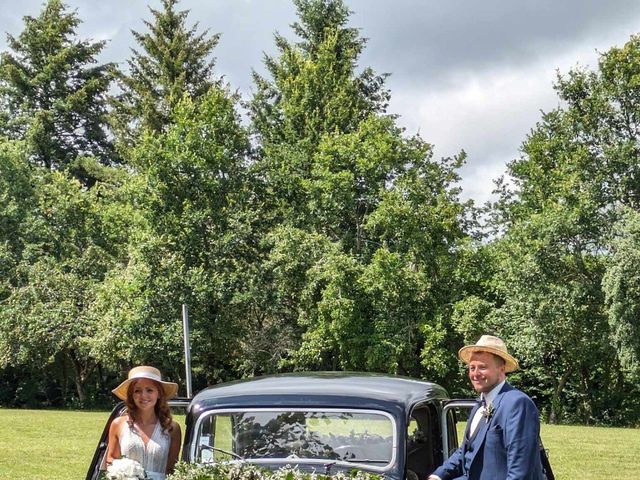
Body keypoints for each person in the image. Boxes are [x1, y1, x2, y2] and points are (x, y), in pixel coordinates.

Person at [428, 335, 544, 480]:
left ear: (501, 370)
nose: (475, 374)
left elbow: (520, 472)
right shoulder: (479, 403)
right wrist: (438, 475)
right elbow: (465, 451)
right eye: (472, 368)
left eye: (482, 367)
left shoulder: (517, 404)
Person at [107, 366, 182, 480]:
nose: (143, 396)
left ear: (159, 394)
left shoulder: (172, 428)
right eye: (137, 391)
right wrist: (122, 473)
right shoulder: (118, 424)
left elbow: (172, 469)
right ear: (131, 395)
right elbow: (110, 460)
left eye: (149, 390)